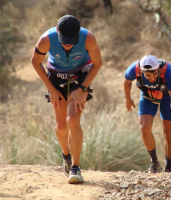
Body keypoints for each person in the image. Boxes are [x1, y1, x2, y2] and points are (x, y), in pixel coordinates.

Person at [31, 15, 102, 183]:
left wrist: (82, 89)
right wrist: (51, 90)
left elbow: (98, 63)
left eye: (71, 40)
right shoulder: (46, 39)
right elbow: (35, 62)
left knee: (73, 119)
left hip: (80, 75)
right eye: (64, 40)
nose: (68, 43)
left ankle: (76, 169)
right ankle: (66, 156)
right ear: (57, 31)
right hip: (56, 77)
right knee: (61, 127)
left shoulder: (89, 38)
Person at [124, 55, 171, 173]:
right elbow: (127, 82)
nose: (152, 78)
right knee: (144, 128)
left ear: (158, 69)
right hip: (148, 97)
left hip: (167, 99)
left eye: (155, 74)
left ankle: (168, 168)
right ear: (142, 71)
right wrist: (128, 99)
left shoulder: (168, 71)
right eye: (148, 75)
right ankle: (155, 163)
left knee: (168, 134)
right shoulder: (134, 69)